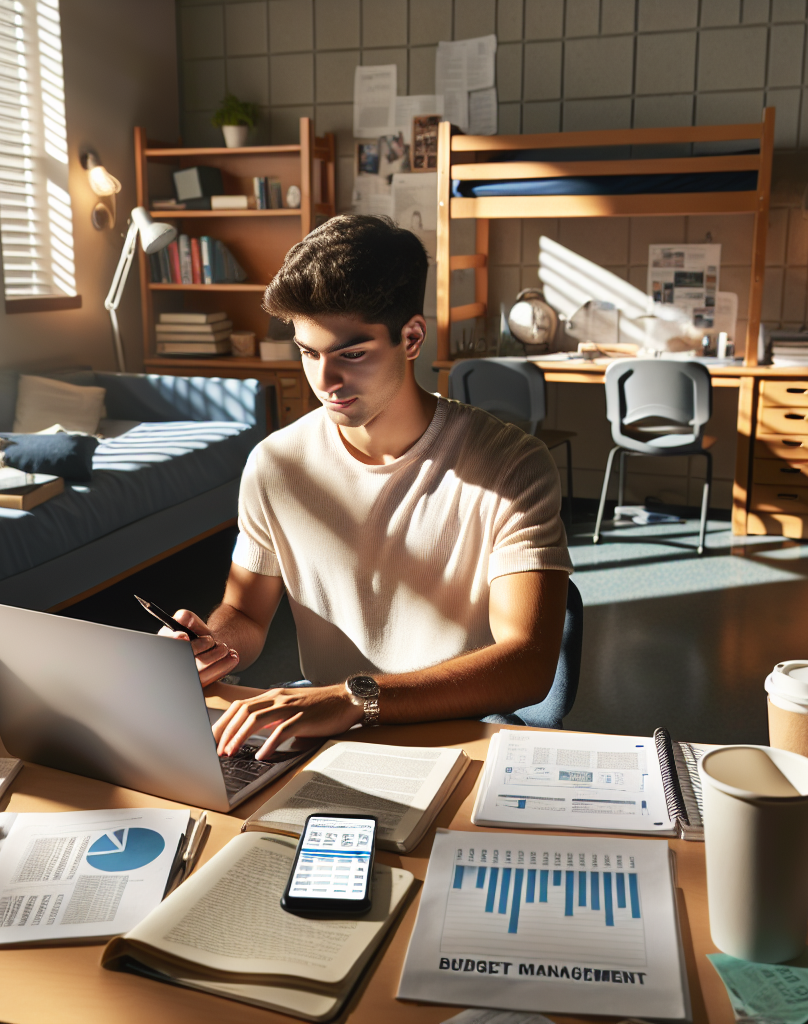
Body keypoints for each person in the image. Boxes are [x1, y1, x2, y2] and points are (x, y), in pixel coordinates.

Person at [162, 215, 573, 759]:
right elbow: (244, 614)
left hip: (460, 728)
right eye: (309, 353)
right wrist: (212, 646)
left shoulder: (511, 464)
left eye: (350, 354)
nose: (326, 382)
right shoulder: (275, 465)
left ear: (411, 337)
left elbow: (527, 664)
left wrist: (359, 699)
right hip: (331, 721)